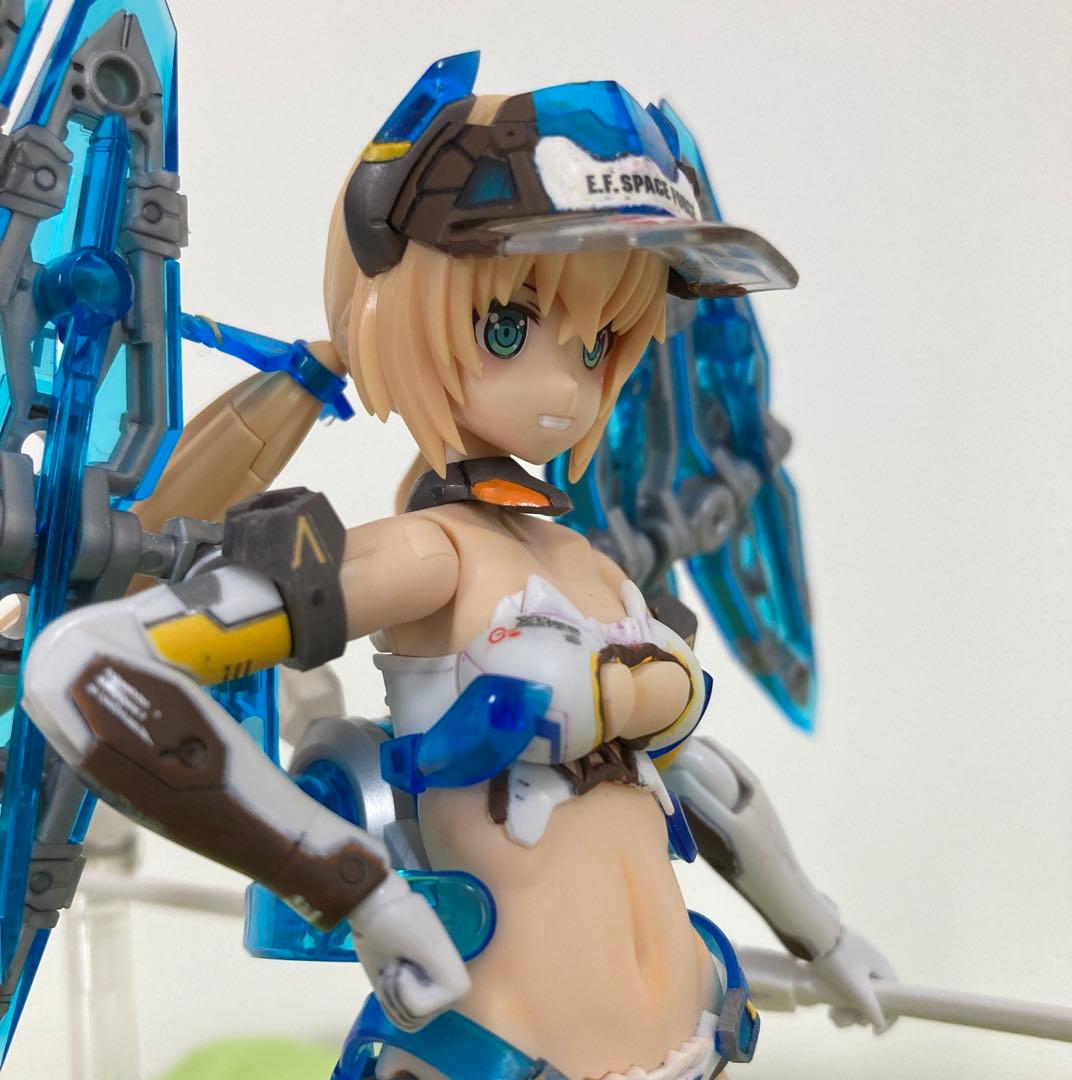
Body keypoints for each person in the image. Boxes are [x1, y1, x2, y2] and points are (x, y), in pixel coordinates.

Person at [23, 54, 893, 1080]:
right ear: (404, 308)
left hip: (690, 1038)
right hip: (497, 1048)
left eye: (599, 342)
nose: (565, 385)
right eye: (510, 326)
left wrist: (823, 935)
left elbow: (699, 779)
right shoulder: (430, 557)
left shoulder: (594, 571)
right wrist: (352, 887)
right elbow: (87, 668)